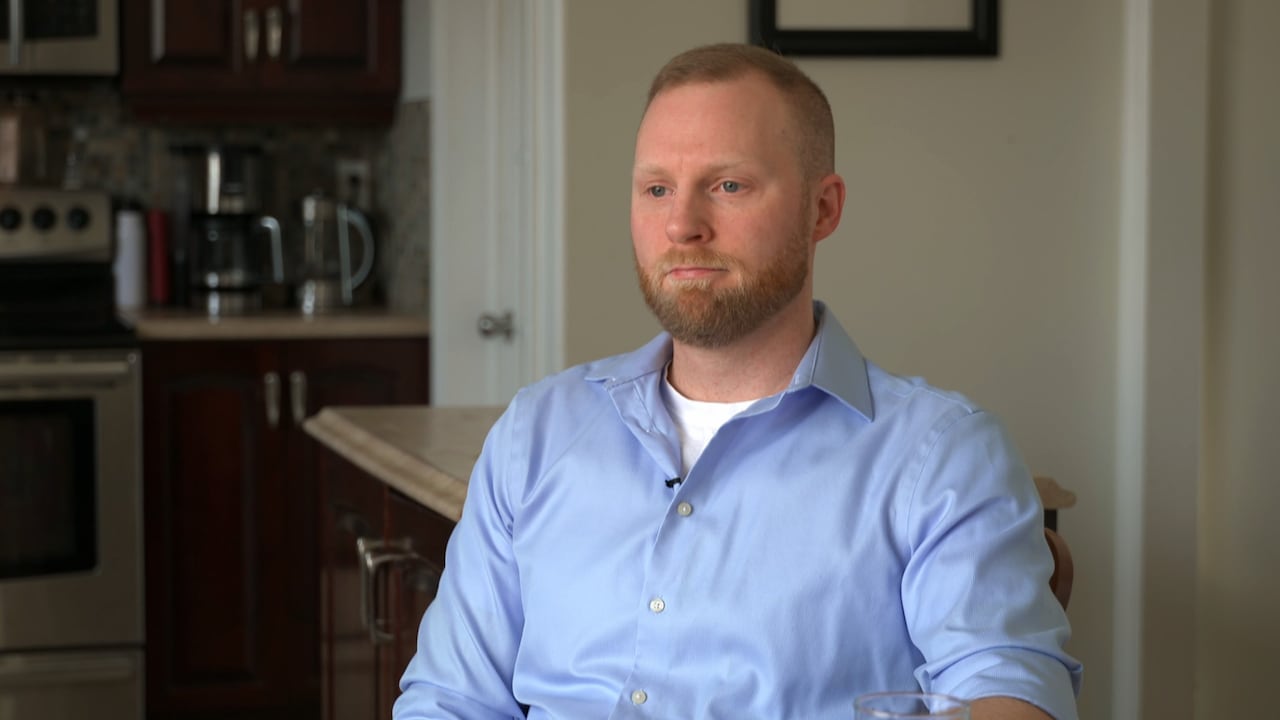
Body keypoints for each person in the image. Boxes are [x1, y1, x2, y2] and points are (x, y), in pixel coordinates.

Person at [395, 43, 1082, 720]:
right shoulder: (535, 435)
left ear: (822, 209)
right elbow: (449, 701)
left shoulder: (942, 457)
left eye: (728, 186)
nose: (682, 225)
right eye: (657, 189)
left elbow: (1009, 690)